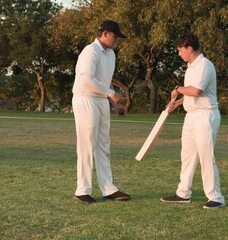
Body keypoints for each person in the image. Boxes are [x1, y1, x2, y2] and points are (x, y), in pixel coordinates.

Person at [161, 33, 225, 209]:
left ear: (189, 48)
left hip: (206, 115)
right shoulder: (190, 67)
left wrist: (177, 89)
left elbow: (196, 91)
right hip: (191, 116)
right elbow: (193, 94)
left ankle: (216, 197)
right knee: (187, 156)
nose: (179, 53)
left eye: (180, 50)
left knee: (206, 156)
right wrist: (179, 102)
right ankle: (183, 193)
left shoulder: (205, 65)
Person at [72, 20, 130, 203]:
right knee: (87, 144)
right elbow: (86, 81)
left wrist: (115, 104)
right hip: (85, 99)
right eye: (114, 36)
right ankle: (82, 190)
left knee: (103, 145)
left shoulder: (111, 54)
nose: (116, 40)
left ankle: (108, 188)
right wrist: (111, 94)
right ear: (104, 33)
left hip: (101, 101)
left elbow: (106, 80)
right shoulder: (90, 51)